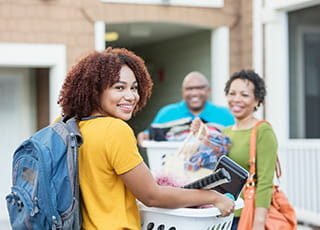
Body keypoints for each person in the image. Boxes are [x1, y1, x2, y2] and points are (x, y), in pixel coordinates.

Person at [57, 47, 235, 230]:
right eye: (119, 87)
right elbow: (151, 195)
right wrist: (212, 197)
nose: (131, 96)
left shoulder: (69, 126)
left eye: (134, 87)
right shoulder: (115, 130)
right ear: (95, 90)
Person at [222, 70, 278, 230]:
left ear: (257, 100)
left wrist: (258, 224)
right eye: (232, 93)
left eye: (244, 95)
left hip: (247, 216)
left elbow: (266, 181)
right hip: (222, 214)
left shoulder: (262, 130)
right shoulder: (225, 132)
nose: (236, 99)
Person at [137, 71, 235, 146]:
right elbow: (148, 136)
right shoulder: (167, 113)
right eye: (190, 89)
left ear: (208, 90)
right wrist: (143, 136)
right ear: (183, 92)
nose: (195, 93)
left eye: (200, 88)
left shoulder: (225, 114)